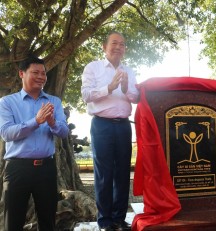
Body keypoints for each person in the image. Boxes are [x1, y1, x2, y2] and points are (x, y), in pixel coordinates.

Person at [0, 56, 69, 231]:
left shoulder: (54, 102)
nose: (41, 76)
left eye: (43, 73)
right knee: (13, 221)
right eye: (35, 72)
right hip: (17, 169)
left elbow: (64, 132)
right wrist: (36, 121)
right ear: (22, 73)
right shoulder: (7, 102)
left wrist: (52, 123)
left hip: (46, 168)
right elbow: (7, 133)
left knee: (47, 220)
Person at [81, 31, 139, 231]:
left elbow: (136, 97)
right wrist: (109, 87)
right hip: (102, 125)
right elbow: (86, 95)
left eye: (122, 44)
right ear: (104, 47)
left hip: (123, 125)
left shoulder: (129, 71)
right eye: (114, 43)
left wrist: (124, 88)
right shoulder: (93, 68)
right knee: (104, 173)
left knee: (123, 172)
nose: (118, 47)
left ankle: (119, 218)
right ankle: (105, 221)